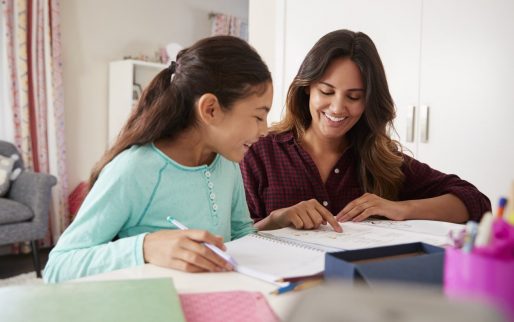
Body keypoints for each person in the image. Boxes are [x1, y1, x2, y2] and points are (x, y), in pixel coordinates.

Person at [44, 36, 273, 283]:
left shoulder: (227, 161)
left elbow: (240, 233)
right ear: (210, 110)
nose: (265, 130)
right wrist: (145, 247)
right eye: (259, 117)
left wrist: (273, 226)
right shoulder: (135, 169)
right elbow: (58, 266)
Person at [240, 29, 490, 232]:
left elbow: (476, 202)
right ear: (307, 88)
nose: (337, 108)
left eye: (354, 96)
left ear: (369, 101)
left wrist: (401, 209)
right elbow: (231, 240)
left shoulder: (382, 160)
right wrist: (276, 220)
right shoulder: (258, 154)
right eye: (326, 92)